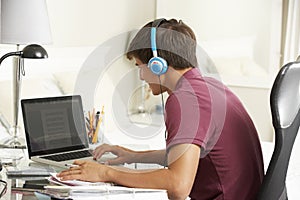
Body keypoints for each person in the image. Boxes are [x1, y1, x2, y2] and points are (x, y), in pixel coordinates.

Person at [57, 18, 264, 200]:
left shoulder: (186, 100)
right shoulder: (210, 86)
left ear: (158, 64)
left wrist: (105, 173)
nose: (140, 76)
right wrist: (134, 156)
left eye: (139, 66)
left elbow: (178, 187)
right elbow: (191, 155)